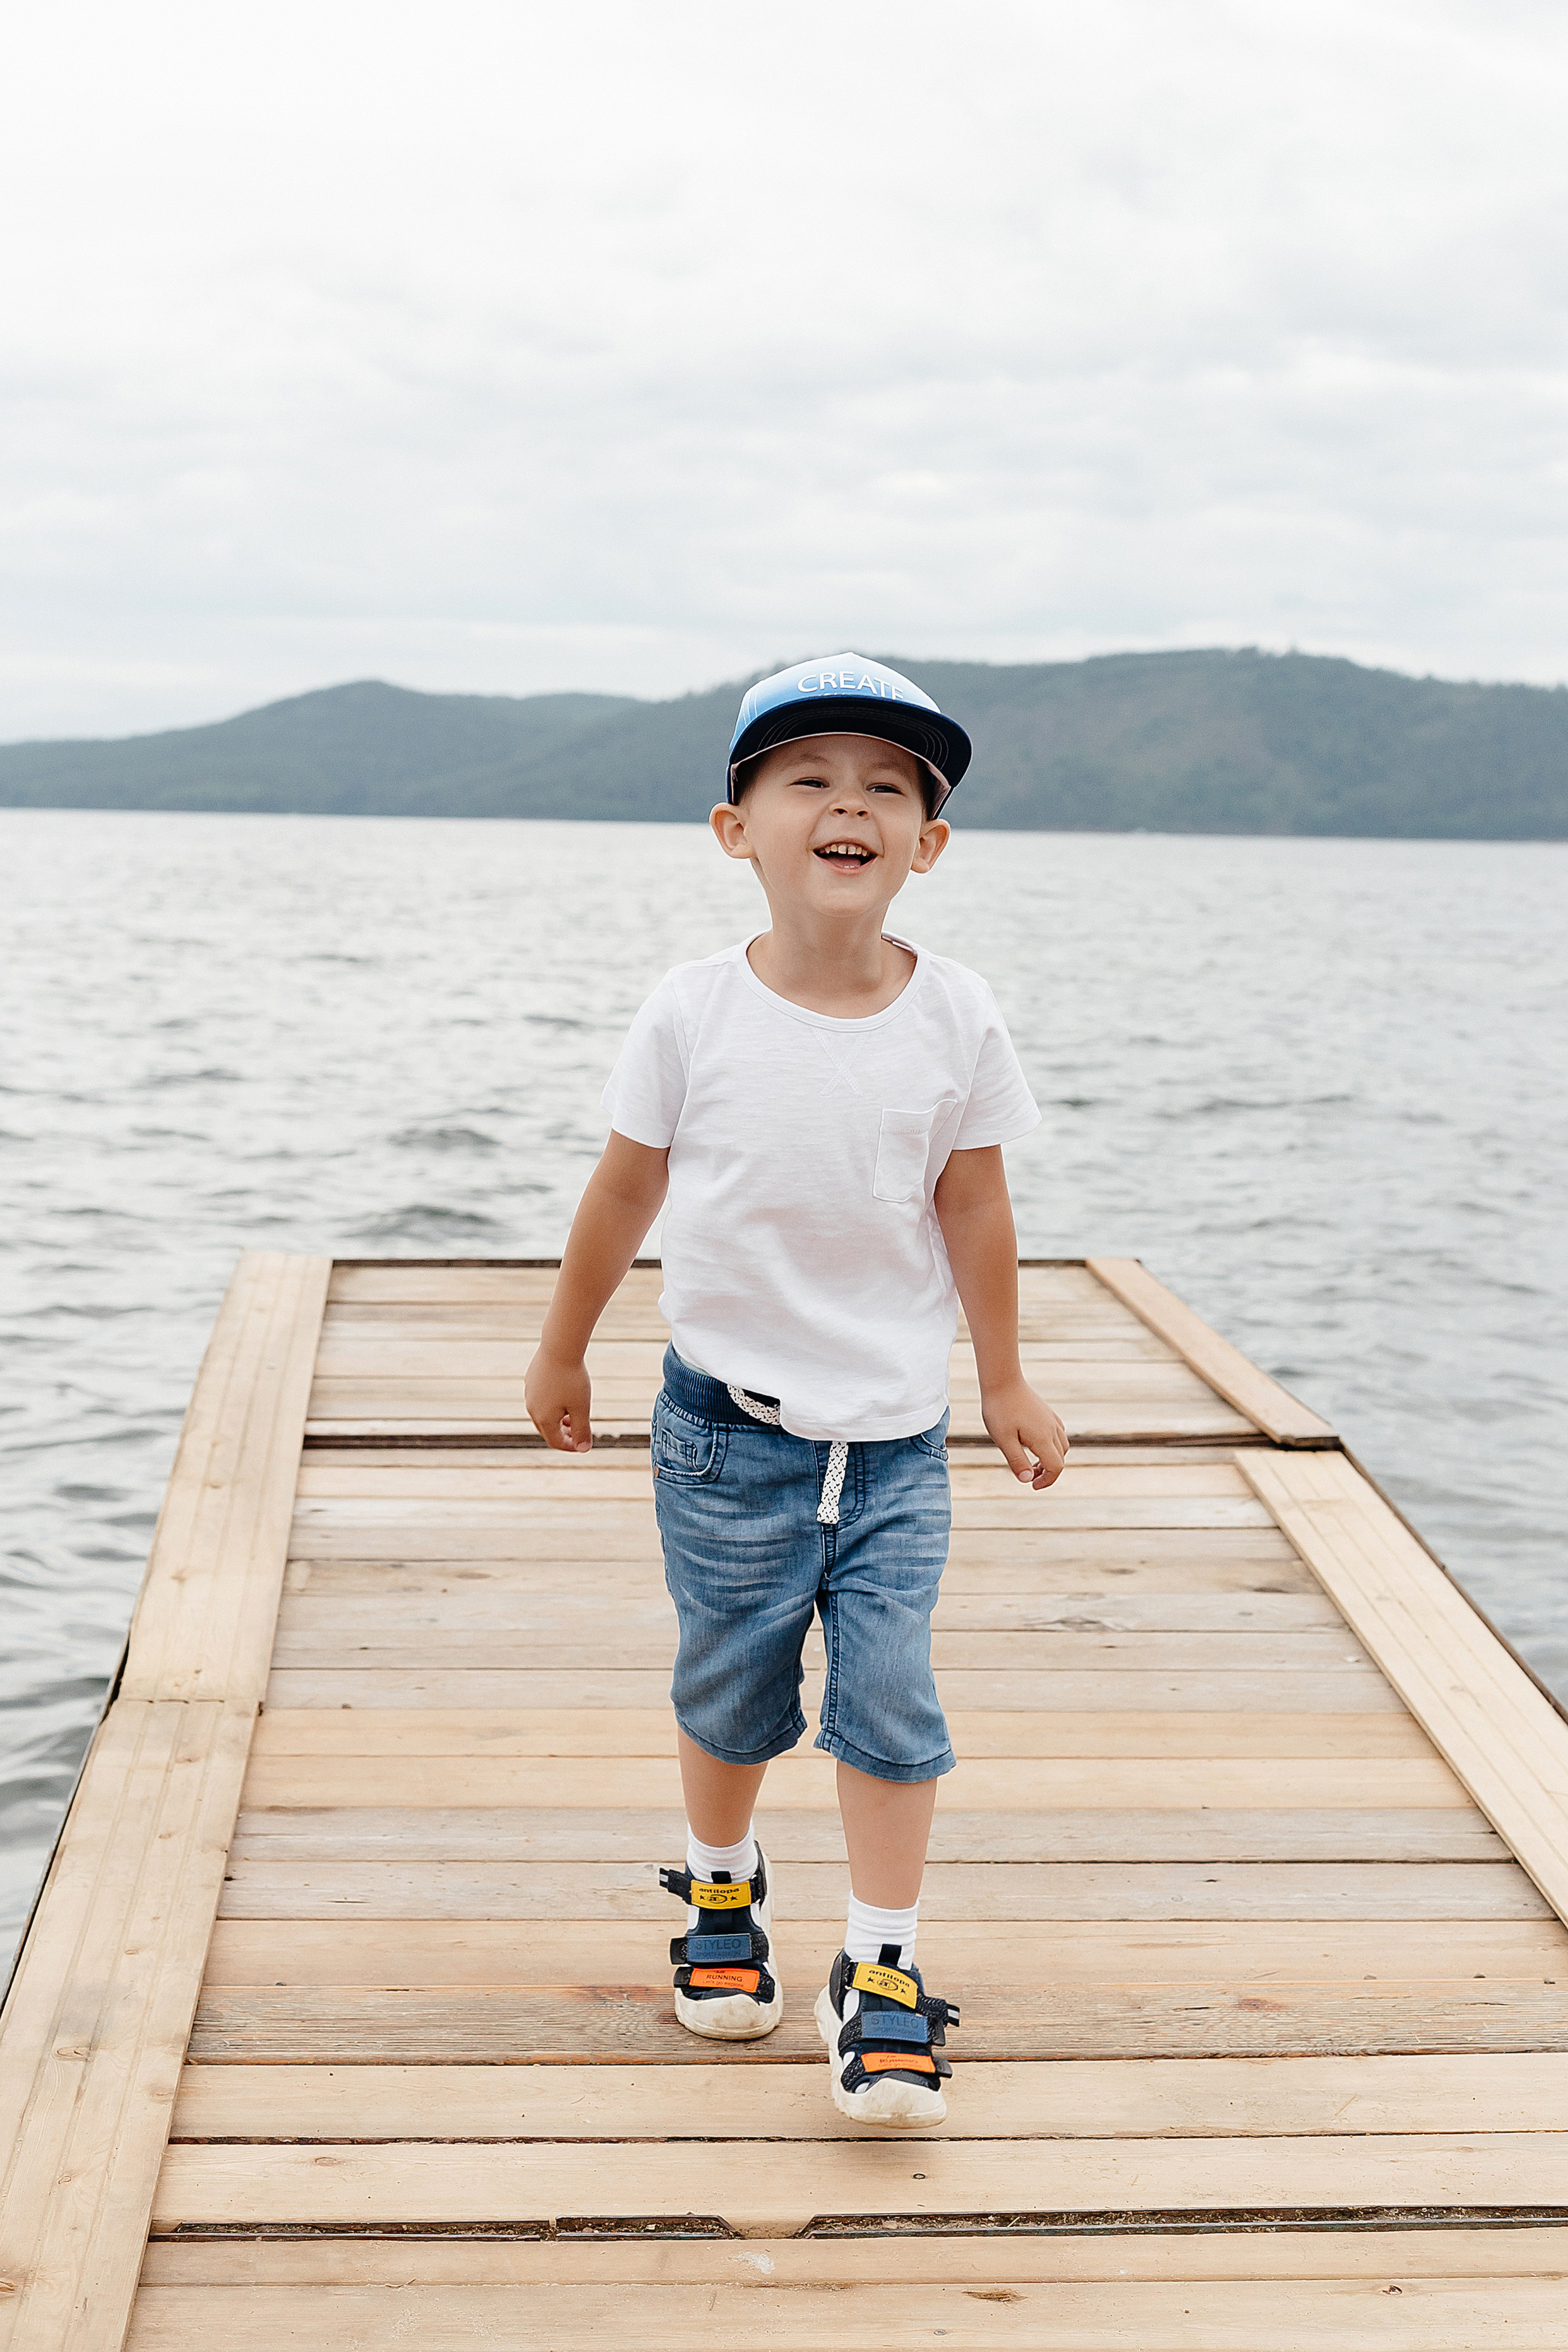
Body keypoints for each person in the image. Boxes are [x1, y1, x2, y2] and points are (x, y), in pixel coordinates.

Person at [525, 653, 1067, 2130]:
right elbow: (622, 1189)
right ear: (736, 829)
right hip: (725, 1434)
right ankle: (720, 1882)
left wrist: (1006, 1374)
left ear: (927, 846)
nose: (851, 804)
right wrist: (565, 1341)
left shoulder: (955, 1014)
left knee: (893, 1702)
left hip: (894, 1445)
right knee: (732, 1689)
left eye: (888, 787)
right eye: (810, 780)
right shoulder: (693, 1013)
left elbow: (978, 1211)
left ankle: (881, 1969)